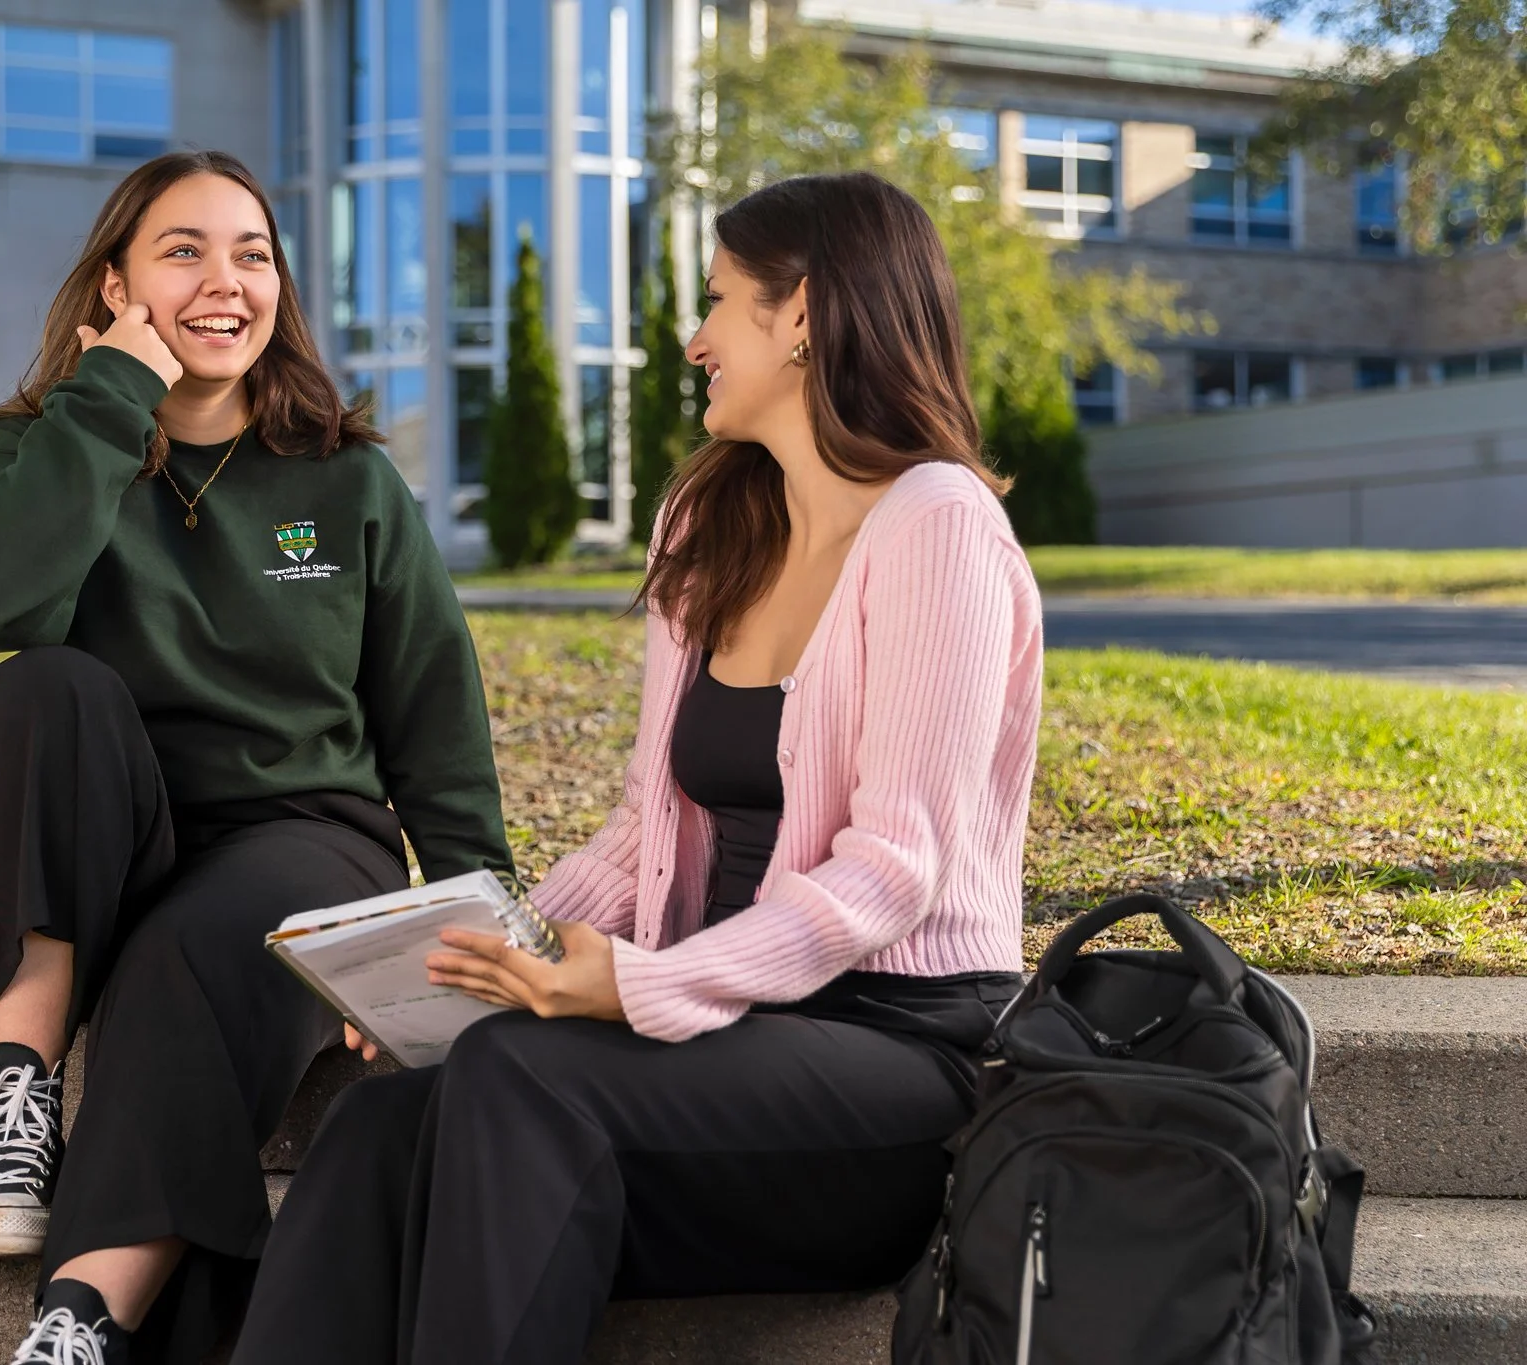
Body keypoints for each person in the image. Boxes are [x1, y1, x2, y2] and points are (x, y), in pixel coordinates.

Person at [228, 170, 1045, 1365]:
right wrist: (471, 953)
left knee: (517, 1079)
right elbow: (640, 831)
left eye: (717, 303)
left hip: (896, 1069)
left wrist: (637, 988)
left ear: (805, 313)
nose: (690, 337)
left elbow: (892, 871)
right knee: (382, 1130)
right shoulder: (708, 523)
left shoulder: (937, 524)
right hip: (713, 1051)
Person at [0, 149, 513, 1365]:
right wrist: (107, 400)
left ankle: (77, 1323)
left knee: (193, 954)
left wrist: (468, 915)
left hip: (297, 838)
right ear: (115, 286)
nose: (224, 281)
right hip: (121, 838)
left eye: (251, 254)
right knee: (37, 693)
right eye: (182, 251)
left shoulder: (343, 475)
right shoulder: (50, 447)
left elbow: (431, 706)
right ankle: (19, 1095)